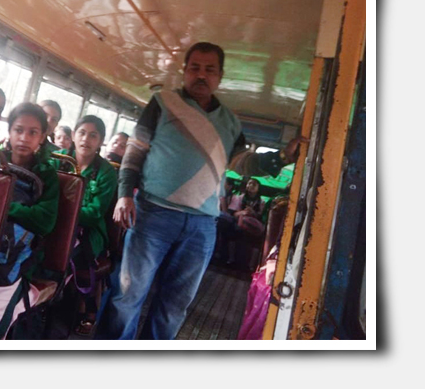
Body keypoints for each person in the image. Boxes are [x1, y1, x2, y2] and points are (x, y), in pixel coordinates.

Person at [98, 41, 302, 340]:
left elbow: (243, 163)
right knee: (128, 295)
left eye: (209, 70)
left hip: (202, 225)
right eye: (194, 68)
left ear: (220, 76)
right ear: (184, 71)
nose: (201, 75)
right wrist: (125, 194)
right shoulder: (163, 102)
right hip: (153, 213)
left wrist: (281, 157)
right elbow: (136, 149)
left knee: (175, 305)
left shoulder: (230, 122)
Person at [0, 102, 59, 340]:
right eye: (18, 130)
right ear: (9, 131)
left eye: (33, 132)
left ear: (42, 137)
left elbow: (45, 221)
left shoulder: (46, 174)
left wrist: (2, 206)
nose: (24, 138)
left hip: (12, 261)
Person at [56, 116, 118, 336]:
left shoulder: (106, 172)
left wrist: (58, 211)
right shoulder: (58, 159)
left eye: (93, 135)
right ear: (74, 135)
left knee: (68, 250)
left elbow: (94, 214)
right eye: (82, 133)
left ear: (100, 141)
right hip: (55, 222)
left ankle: (78, 309)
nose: (86, 139)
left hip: (88, 231)